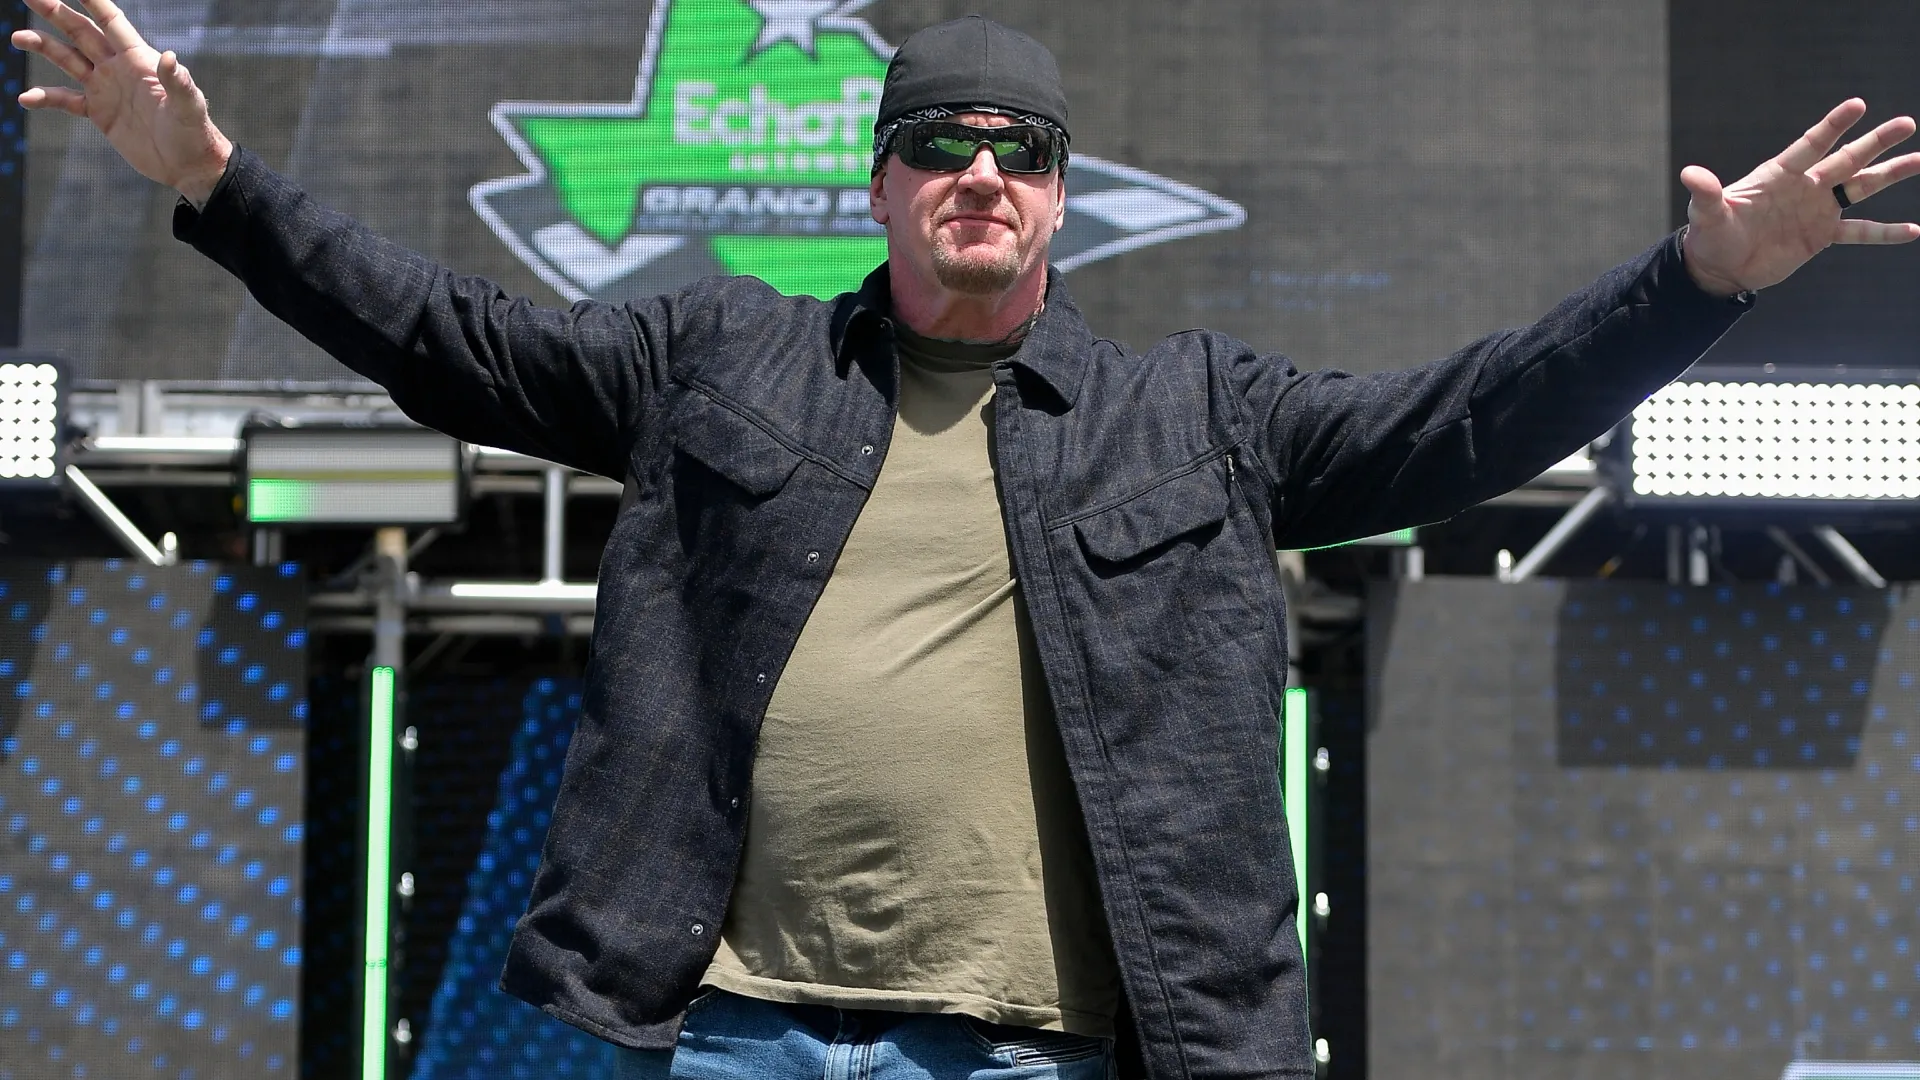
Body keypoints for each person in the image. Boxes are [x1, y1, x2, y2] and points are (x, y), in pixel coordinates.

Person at [15, 1, 1920, 1076]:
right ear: (885, 185)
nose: (982, 175)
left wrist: (1708, 276)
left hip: (1029, 1054)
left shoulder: (1201, 413)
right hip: (752, 1037)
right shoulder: (719, 358)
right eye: (944, 145)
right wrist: (215, 188)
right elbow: (451, 337)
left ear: (1063, 198)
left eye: (1019, 147)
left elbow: (1474, 415)